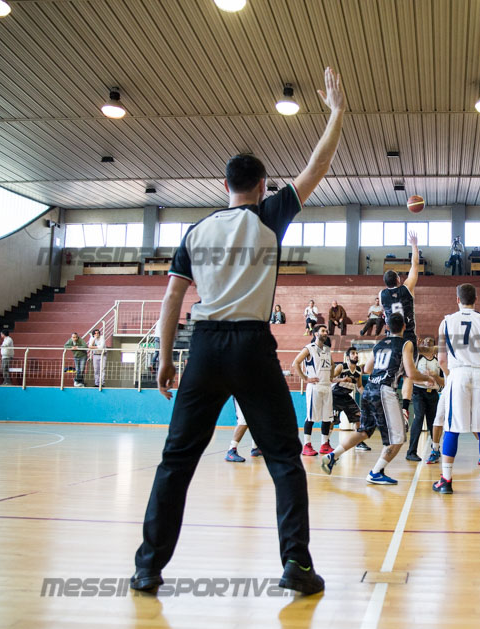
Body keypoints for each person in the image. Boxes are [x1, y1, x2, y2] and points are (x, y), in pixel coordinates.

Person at [131, 66, 345, 596]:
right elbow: (317, 166)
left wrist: (164, 358)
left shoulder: (196, 230)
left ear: (223, 186)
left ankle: (147, 568)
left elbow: (173, 297)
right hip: (251, 347)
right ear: (264, 186)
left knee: (176, 461)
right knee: (284, 460)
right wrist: (336, 113)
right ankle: (296, 563)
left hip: (202, 349)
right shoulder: (270, 215)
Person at [320, 313, 433, 485]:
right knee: (399, 437)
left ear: (387, 327)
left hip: (370, 389)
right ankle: (376, 471)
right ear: (403, 327)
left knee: (364, 431)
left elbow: (366, 368)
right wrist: (426, 378)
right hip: (384, 390)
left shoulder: (379, 344)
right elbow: (410, 373)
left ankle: (332, 456)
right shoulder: (406, 343)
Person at [431, 284, 480, 494]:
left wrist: (450, 377)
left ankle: (446, 480)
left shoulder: (446, 322)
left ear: (457, 300)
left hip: (458, 375)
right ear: (476, 299)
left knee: (452, 427)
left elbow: (442, 358)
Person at [380, 230, 420, 417]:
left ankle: (391, 405)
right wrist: (414, 244)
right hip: (409, 335)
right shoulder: (407, 288)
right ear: (398, 279)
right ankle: (405, 407)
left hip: (391, 337)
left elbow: (383, 312)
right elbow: (415, 265)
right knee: (409, 374)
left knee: (393, 373)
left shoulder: (382, 295)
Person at [292, 325, 334, 457]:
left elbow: (332, 364)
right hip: (315, 387)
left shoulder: (327, 349)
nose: (325, 332)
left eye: (326, 331)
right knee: (311, 417)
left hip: (327, 387)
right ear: (316, 333)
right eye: (323, 331)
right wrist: (305, 378)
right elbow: (296, 363)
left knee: (327, 418)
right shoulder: (309, 348)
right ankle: (306, 445)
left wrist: (331, 376)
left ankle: (324, 444)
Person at [406, 336, 444, 462]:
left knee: (434, 422)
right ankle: (411, 452)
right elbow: (411, 377)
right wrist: (424, 382)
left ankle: (435, 450)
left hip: (432, 394)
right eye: (425, 342)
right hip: (419, 392)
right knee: (419, 417)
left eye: (430, 343)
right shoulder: (418, 358)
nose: (427, 344)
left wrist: (435, 380)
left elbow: (444, 381)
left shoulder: (438, 361)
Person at [330, 347, 366, 451]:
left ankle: (359, 442)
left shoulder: (358, 370)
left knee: (358, 417)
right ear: (347, 357)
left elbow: (359, 387)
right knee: (332, 420)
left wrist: (367, 395)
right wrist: (342, 379)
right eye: (353, 353)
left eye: (356, 353)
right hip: (335, 395)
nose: (356, 355)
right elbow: (330, 378)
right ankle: (326, 442)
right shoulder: (342, 367)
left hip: (346, 396)